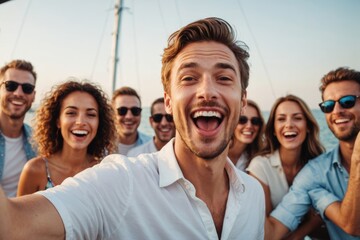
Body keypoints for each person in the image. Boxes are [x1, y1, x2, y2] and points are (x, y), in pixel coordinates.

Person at [0, 17, 265, 239]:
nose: (207, 91)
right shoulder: (121, 182)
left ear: (243, 101)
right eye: (189, 78)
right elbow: (12, 226)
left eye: (224, 78)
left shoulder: (253, 196)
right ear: (169, 102)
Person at [266, 67, 360, 240]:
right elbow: (272, 231)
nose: (336, 111)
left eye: (347, 101)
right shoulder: (314, 173)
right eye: (329, 106)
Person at [16, 80, 117, 196]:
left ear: (99, 123)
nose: (81, 122)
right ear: (58, 120)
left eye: (91, 115)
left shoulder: (103, 172)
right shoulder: (35, 170)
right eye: (71, 113)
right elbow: (19, 214)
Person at [247, 94, 327, 239]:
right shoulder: (260, 166)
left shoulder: (319, 166)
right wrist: (312, 223)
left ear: (308, 126)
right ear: (273, 129)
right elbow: (264, 232)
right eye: (281, 119)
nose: (289, 124)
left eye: (297, 118)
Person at [0, 59, 37, 197]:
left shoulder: (38, 141)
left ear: (33, 96)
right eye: (10, 86)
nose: (18, 93)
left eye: (27, 88)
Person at [111, 86, 151, 155]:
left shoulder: (151, 147)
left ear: (141, 114)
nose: (129, 116)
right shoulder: (99, 148)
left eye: (135, 111)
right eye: (122, 110)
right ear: (112, 114)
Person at [227, 99, 264, 171]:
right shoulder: (217, 152)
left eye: (255, 121)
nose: (249, 126)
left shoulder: (258, 157)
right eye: (242, 120)